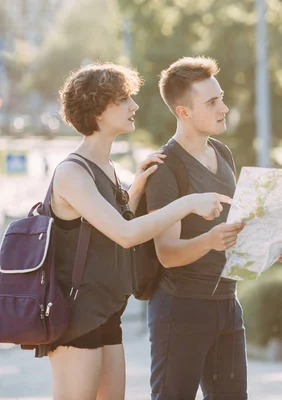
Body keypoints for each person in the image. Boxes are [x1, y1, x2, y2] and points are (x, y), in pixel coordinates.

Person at [46, 63, 231, 400]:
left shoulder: (106, 168)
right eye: (123, 100)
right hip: (75, 314)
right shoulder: (72, 172)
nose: (134, 107)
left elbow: (104, 223)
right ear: (98, 110)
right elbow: (126, 233)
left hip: (105, 311)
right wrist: (188, 202)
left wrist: (133, 191)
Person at [145, 56, 282, 400]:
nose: (224, 107)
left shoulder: (222, 153)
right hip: (180, 309)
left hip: (227, 305)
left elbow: (234, 233)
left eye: (221, 98)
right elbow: (167, 254)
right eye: (213, 102)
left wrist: (278, 247)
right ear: (184, 112)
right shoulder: (165, 168)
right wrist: (209, 241)